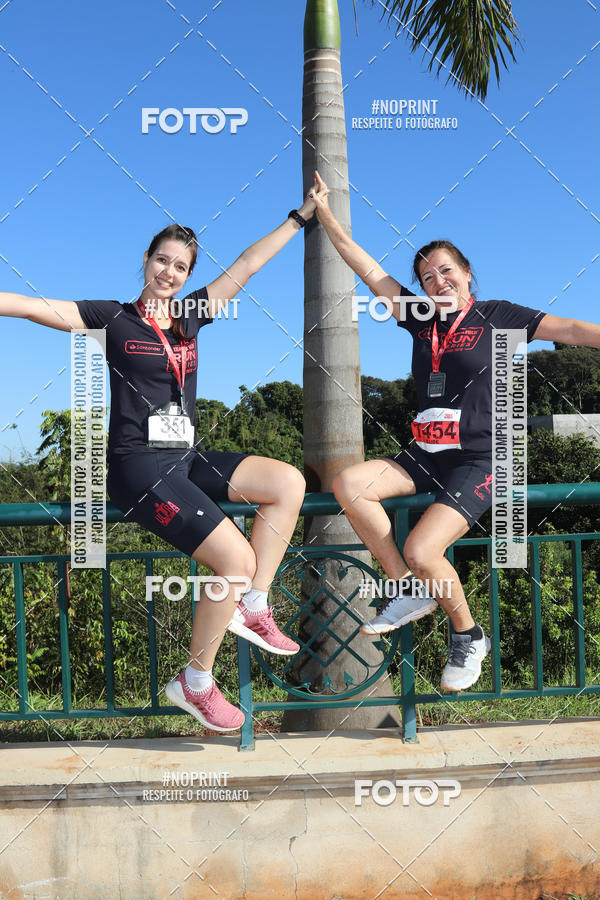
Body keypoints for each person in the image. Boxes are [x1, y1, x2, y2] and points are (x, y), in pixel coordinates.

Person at [0, 198, 317, 730]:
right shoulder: (113, 319)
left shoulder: (191, 318)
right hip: (138, 468)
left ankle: (254, 604)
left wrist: (299, 218)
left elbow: (247, 264)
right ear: (145, 259)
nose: (169, 272)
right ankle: (194, 683)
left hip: (185, 459)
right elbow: (35, 307)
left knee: (287, 482)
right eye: (162, 260)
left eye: (181, 267)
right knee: (233, 562)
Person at [308, 170, 600, 692]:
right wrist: (325, 213)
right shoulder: (421, 319)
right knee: (351, 485)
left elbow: (573, 331)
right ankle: (410, 590)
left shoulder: (499, 315)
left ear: (467, 273)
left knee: (425, 549)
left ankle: (468, 636)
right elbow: (365, 265)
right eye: (426, 278)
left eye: (445, 272)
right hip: (425, 453)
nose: (437, 283)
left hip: (481, 460)